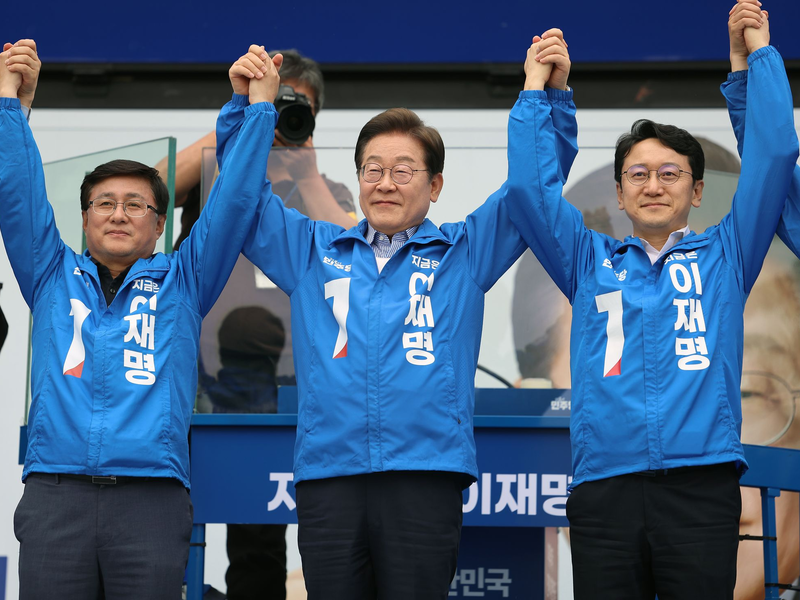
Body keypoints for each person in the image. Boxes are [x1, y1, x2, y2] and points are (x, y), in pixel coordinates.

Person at [212, 38, 576, 600]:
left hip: (425, 477)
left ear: (434, 186)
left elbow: (533, 191)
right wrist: (247, 109)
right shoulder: (312, 250)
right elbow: (240, 202)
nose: (385, 182)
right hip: (329, 477)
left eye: (404, 170)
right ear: (357, 179)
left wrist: (542, 95)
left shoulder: (465, 252)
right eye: (373, 169)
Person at [502, 3, 798, 598]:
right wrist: (542, 94)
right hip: (604, 488)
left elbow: (771, 159)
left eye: (670, 173)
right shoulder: (589, 261)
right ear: (619, 193)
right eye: (638, 175)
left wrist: (754, 63)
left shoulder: (726, 254)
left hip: (700, 485)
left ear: (697, 190)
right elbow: (529, 193)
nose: (654, 185)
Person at [0, 40, 283, 600]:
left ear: (160, 227)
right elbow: (17, 193)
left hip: (150, 498)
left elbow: (233, 202)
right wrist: (13, 104)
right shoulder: (52, 276)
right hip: (56, 495)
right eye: (105, 203)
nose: (119, 214)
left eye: (137, 204)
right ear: (83, 221)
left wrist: (252, 110)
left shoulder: (184, 281)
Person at [159, 49, 355, 600]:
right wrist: (239, 125)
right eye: (274, 98)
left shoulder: (326, 191)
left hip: (300, 382)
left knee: (292, 529)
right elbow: (144, 193)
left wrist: (308, 176)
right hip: (207, 380)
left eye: (294, 107)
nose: (279, 114)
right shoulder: (213, 177)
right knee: (233, 532)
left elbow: (361, 258)